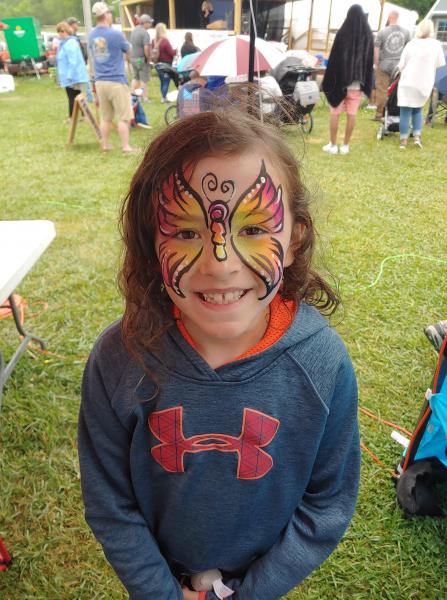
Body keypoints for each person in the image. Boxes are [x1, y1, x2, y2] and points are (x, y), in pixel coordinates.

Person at [78, 109, 360, 599]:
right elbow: (111, 502)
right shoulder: (118, 359)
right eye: (186, 232)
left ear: (293, 239)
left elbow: (326, 505)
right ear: (150, 239)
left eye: (253, 229)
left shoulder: (322, 365)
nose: (220, 261)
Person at [322, 4, 374, 155]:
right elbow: (369, 60)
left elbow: (334, 59)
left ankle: (332, 145)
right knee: (352, 114)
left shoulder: (343, 33)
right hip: (357, 84)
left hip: (340, 82)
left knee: (335, 113)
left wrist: (330, 79)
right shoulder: (368, 34)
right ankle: (345, 146)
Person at [88, 2, 137, 153]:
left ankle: (105, 145)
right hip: (116, 80)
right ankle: (126, 147)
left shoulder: (91, 35)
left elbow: (92, 57)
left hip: (100, 81)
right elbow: (129, 50)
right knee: (123, 116)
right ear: (106, 15)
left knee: (106, 117)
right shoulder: (115, 34)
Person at [397, 19, 445, 150]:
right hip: (424, 82)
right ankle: (417, 137)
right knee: (418, 109)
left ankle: (403, 140)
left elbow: (401, 65)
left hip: (408, 81)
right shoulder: (436, 45)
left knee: (405, 111)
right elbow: (440, 64)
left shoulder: (411, 44)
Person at [373, 10, 410, 121]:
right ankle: (394, 113)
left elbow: (376, 49)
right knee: (397, 90)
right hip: (399, 65)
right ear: (397, 17)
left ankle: (379, 114)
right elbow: (408, 49)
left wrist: (376, 64)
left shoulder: (382, 32)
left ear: (389, 18)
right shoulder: (406, 32)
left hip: (384, 64)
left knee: (382, 90)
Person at [55, 21, 89, 120]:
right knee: (77, 96)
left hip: (73, 76)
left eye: (61, 31)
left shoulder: (70, 43)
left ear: (65, 31)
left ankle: (72, 118)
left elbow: (73, 60)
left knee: (72, 97)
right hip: (69, 75)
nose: (60, 34)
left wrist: (69, 75)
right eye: (58, 32)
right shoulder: (65, 43)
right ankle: (84, 116)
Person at [129, 13, 153, 101]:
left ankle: (133, 95)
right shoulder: (145, 33)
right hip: (141, 59)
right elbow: (146, 48)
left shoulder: (134, 31)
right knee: (144, 79)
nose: (150, 24)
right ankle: (145, 97)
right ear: (145, 23)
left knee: (136, 77)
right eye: (149, 22)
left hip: (133, 58)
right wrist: (148, 59)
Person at [153, 22, 177, 103]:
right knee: (166, 81)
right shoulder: (165, 41)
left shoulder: (154, 41)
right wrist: (176, 50)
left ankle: (163, 96)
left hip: (157, 64)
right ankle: (163, 98)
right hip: (166, 64)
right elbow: (172, 53)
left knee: (162, 81)